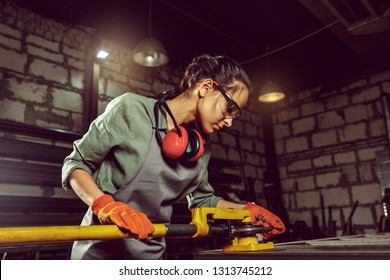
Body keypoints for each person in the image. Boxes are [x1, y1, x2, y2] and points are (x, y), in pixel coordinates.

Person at [61, 53, 285, 259]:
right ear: (206, 87)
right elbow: (75, 164)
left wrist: (247, 211)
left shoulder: (200, 149)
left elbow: (203, 201)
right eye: (229, 108)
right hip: (99, 255)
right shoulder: (131, 110)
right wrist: (105, 206)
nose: (229, 122)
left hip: (150, 259)